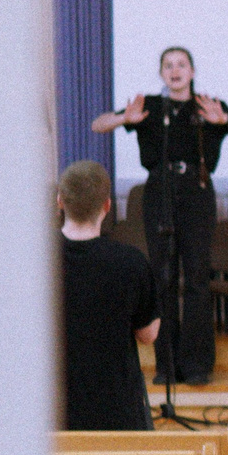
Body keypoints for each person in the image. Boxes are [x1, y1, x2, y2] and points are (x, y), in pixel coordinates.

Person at [92, 47, 228, 386]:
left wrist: (225, 120)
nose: (175, 71)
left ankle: (198, 365)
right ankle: (167, 366)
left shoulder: (207, 105)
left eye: (181, 65)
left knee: (197, 278)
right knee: (163, 278)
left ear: (192, 71)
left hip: (197, 193)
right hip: (159, 193)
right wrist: (124, 119)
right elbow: (98, 125)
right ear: (161, 74)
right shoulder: (150, 108)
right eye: (168, 66)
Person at [54, 160, 158, 431]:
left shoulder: (34, 260)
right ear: (107, 206)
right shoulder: (130, 262)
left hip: (51, 410)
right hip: (116, 412)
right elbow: (148, 335)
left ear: (60, 202)